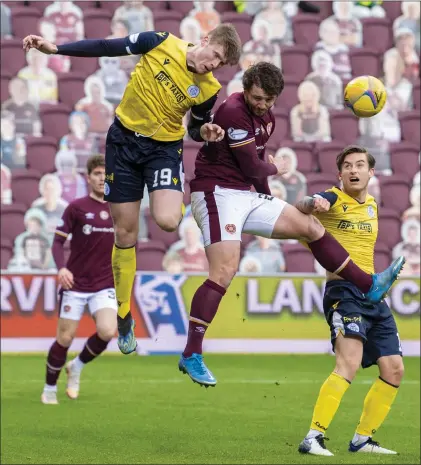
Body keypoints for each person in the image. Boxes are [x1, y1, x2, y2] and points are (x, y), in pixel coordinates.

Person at [178, 62, 405, 387]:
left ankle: (369, 285)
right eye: (257, 98)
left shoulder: (266, 119)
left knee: (309, 226)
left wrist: (273, 202)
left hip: (245, 195)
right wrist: (279, 168)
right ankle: (191, 352)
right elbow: (254, 167)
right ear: (247, 89)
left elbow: (256, 175)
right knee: (225, 270)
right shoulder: (232, 109)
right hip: (216, 193)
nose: (262, 105)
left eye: (268, 100)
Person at [23, 24, 242, 356]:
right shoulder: (159, 42)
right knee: (125, 234)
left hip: (164, 150)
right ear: (206, 40)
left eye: (220, 64)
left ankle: (164, 194)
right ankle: (124, 314)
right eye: (215, 56)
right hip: (123, 143)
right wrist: (57, 48)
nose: (214, 65)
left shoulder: (208, 88)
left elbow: (195, 127)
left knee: (168, 220)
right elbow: (108, 45)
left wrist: (205, 131)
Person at [297, 145, 405, 456]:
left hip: (372, 296)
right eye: (347, 166)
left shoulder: (372, 205)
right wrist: (312, 202)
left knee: (394, 369)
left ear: (371, 173)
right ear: (340, 173)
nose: (353, 170)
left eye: (360, 165)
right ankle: (312, 437)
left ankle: (361, 440)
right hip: (343, 293)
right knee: (349, 362)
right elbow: (303, 206)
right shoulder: (331, 198)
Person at [41, 155, 117, 405]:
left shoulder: (119, 208)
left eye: (104, 173)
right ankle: (49, 389)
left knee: (107, 331)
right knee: (65, 338)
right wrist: (61, 269)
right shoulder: (76, 207)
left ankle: (77, 366)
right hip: (75, 283)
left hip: (104, 283)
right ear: (88, 177)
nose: (100, 178)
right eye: (96, 173)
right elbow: (57, 242)